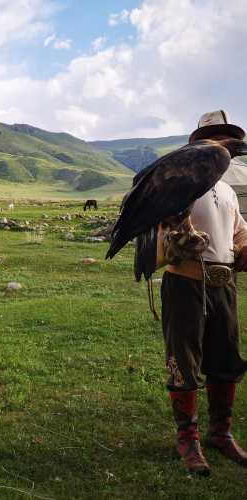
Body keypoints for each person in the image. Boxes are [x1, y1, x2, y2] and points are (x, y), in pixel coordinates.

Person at [161, 110, 247, 475]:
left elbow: (240, 230)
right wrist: (175, 239)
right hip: (184, 281)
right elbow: (157, 228)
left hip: (223, 283)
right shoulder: (178, 183)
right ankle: (188, 439)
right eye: (211, 137)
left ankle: (220, 434)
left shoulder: (228, 189)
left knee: (225, 357)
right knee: (185, 360)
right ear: (198, 146)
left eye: (223, 137)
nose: (218, 144)